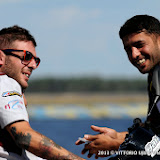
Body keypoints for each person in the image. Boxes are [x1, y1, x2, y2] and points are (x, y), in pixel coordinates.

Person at [76, 14, 160, 159]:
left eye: (140, 45)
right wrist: (119, 137)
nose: (134, 55)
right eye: (128, 49)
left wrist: (118, 144)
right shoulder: (154, 74)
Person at [0, 25, 85, 160]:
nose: (33, 65)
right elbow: (24, 136)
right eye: (26, 56)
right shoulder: (6, 82)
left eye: (36, 60)